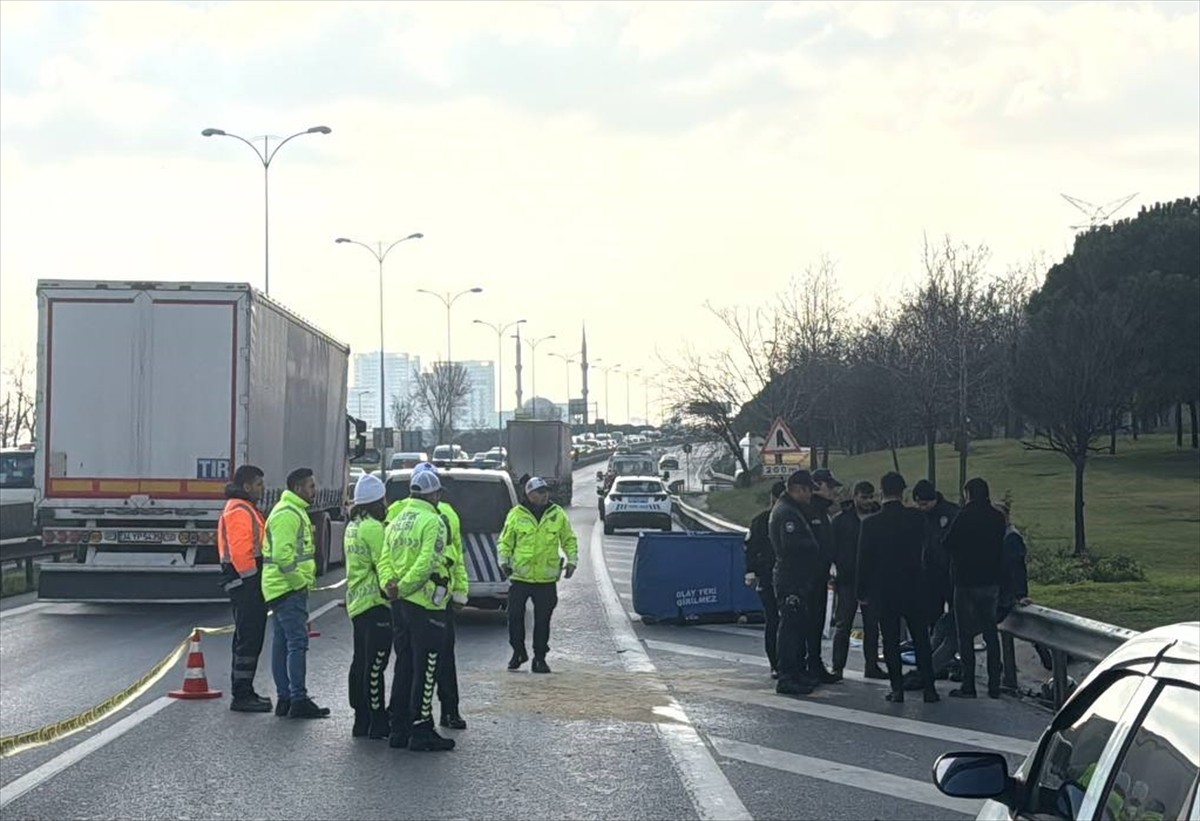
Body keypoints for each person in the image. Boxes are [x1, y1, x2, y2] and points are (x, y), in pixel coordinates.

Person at [382, 469, 456, 751]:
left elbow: (384, 558)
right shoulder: (434, 521)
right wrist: (405, 588)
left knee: (404, 664)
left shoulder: (398, 519)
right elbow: (427, 563)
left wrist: (391, 587)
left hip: (398, 604)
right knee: (427, 667)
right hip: (424, 604)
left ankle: (398, 728)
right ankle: (421, 727)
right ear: (434, 495)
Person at [857, 471, 939, 704]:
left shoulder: (871, 524)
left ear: (882, 491)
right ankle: (929, 689)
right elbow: (928, 550)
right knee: (921, 638)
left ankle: (897, 689)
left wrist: (861, 592)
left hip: (885, 589)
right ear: (903, 492)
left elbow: (864, 560)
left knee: (891, 639)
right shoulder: (916, 519)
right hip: (914, 586)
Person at [263, 466, 330, 719]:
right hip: (288, 588)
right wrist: (299, 581)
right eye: (311, 486)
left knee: (282, 643)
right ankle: (298, 699)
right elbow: (282, 555)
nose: (315, 491)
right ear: (298, 488)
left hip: (280, 588)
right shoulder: (288, 514)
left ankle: (286, 698)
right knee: (297, 643)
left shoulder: (291, 511)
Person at [498, 476, 579, 674]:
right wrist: (503, 561)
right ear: (529, 494)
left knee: (543, 621)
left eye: (546, 492)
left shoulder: (557, 514)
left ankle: (540, 658)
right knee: (514, 617)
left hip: (545, 578)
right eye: (540, 492)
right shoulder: (516, 515)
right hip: (520, 577)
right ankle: (518, 652)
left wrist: (572, 561)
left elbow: (568, 539)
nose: (545, 495)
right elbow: (505, 541)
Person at [943, 477, 1007, 699]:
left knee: (966, 636)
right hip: (990, 582)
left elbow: (947, 543)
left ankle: (968, 685)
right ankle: (994, 685)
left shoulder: (964, 516)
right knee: (991, 634)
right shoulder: (998, 518)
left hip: (966, 581)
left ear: (968, 493)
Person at [218, 464, 271, 713]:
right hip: (245, 582)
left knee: (247, 637)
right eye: (259, 484)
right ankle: (242, 694)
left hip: (244, 581)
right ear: (247, 486)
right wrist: (253, 583)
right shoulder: (239, 510)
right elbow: (241, 552)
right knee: (248, 638)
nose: (262, 489)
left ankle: (245, 689)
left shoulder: (244, 507)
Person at [345, 474, 394, 740]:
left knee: (361, 662)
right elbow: (383, 563)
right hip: (376, 602)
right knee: (376, 665)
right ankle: (377, 720)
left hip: (358, 602)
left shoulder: (353, 525)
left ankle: (360, 718)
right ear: (377, 502)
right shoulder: (373, 528)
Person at [769, 470, 821, 696]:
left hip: (797, 577)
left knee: (798, 627)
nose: (810, 495)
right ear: (798, 488)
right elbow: (791, 546)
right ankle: (787, 675)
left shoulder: (792, 509)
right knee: (790, 628)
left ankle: (796, 672)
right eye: (809, 490)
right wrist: (812, 548)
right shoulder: (787, 513)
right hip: (792, 578)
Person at [829, 480, 884, 680]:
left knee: (872, 625)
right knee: (843, 624)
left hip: (872, 579)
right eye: (864, 497)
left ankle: (871, 665)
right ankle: (837, 666)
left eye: (870, 497)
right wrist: (835, 567)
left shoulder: (878, 518)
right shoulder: (841, 520)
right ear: (855, 497)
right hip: (847, 578)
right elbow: (831, 547)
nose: (868, 501)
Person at [911, 479, 962, 690]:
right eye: (918, 504)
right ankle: (937, 661)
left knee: (955, 621)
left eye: (924, 504)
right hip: (929, 577)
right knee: (933, 619)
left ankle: (954, 661)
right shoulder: (919, 518)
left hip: (951, 575)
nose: (922, 508)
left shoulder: (950, 513)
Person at [743, 481, 786, 678]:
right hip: (768, 577)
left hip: (784, 577)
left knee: (783, 621)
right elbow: (751, 548)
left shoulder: (792, 517)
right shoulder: (761, 521)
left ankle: (785, 661)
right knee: (773, 619)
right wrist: (751, 571)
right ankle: (775, 663)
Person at [805, 468, 841, 684]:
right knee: (809, 621)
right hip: (811, 576)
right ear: (818, 485)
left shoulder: (822, 511)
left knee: (817, 621)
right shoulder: (811, 511)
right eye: (831, 486)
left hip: (820, 574)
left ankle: (815, 662)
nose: (834, 491)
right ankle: (810, 664)